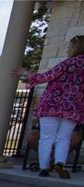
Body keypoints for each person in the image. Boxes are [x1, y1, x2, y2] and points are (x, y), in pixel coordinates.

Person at [17, 35, 84, 178]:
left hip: (51, 105)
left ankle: (44, 168)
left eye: (69, 47)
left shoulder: (67, 64)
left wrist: (25, 74)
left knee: (47, 137)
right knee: (64, 138)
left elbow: (45, 77)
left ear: (75, 48)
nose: (67, 50)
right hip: (73, 108)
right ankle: (59, 162)